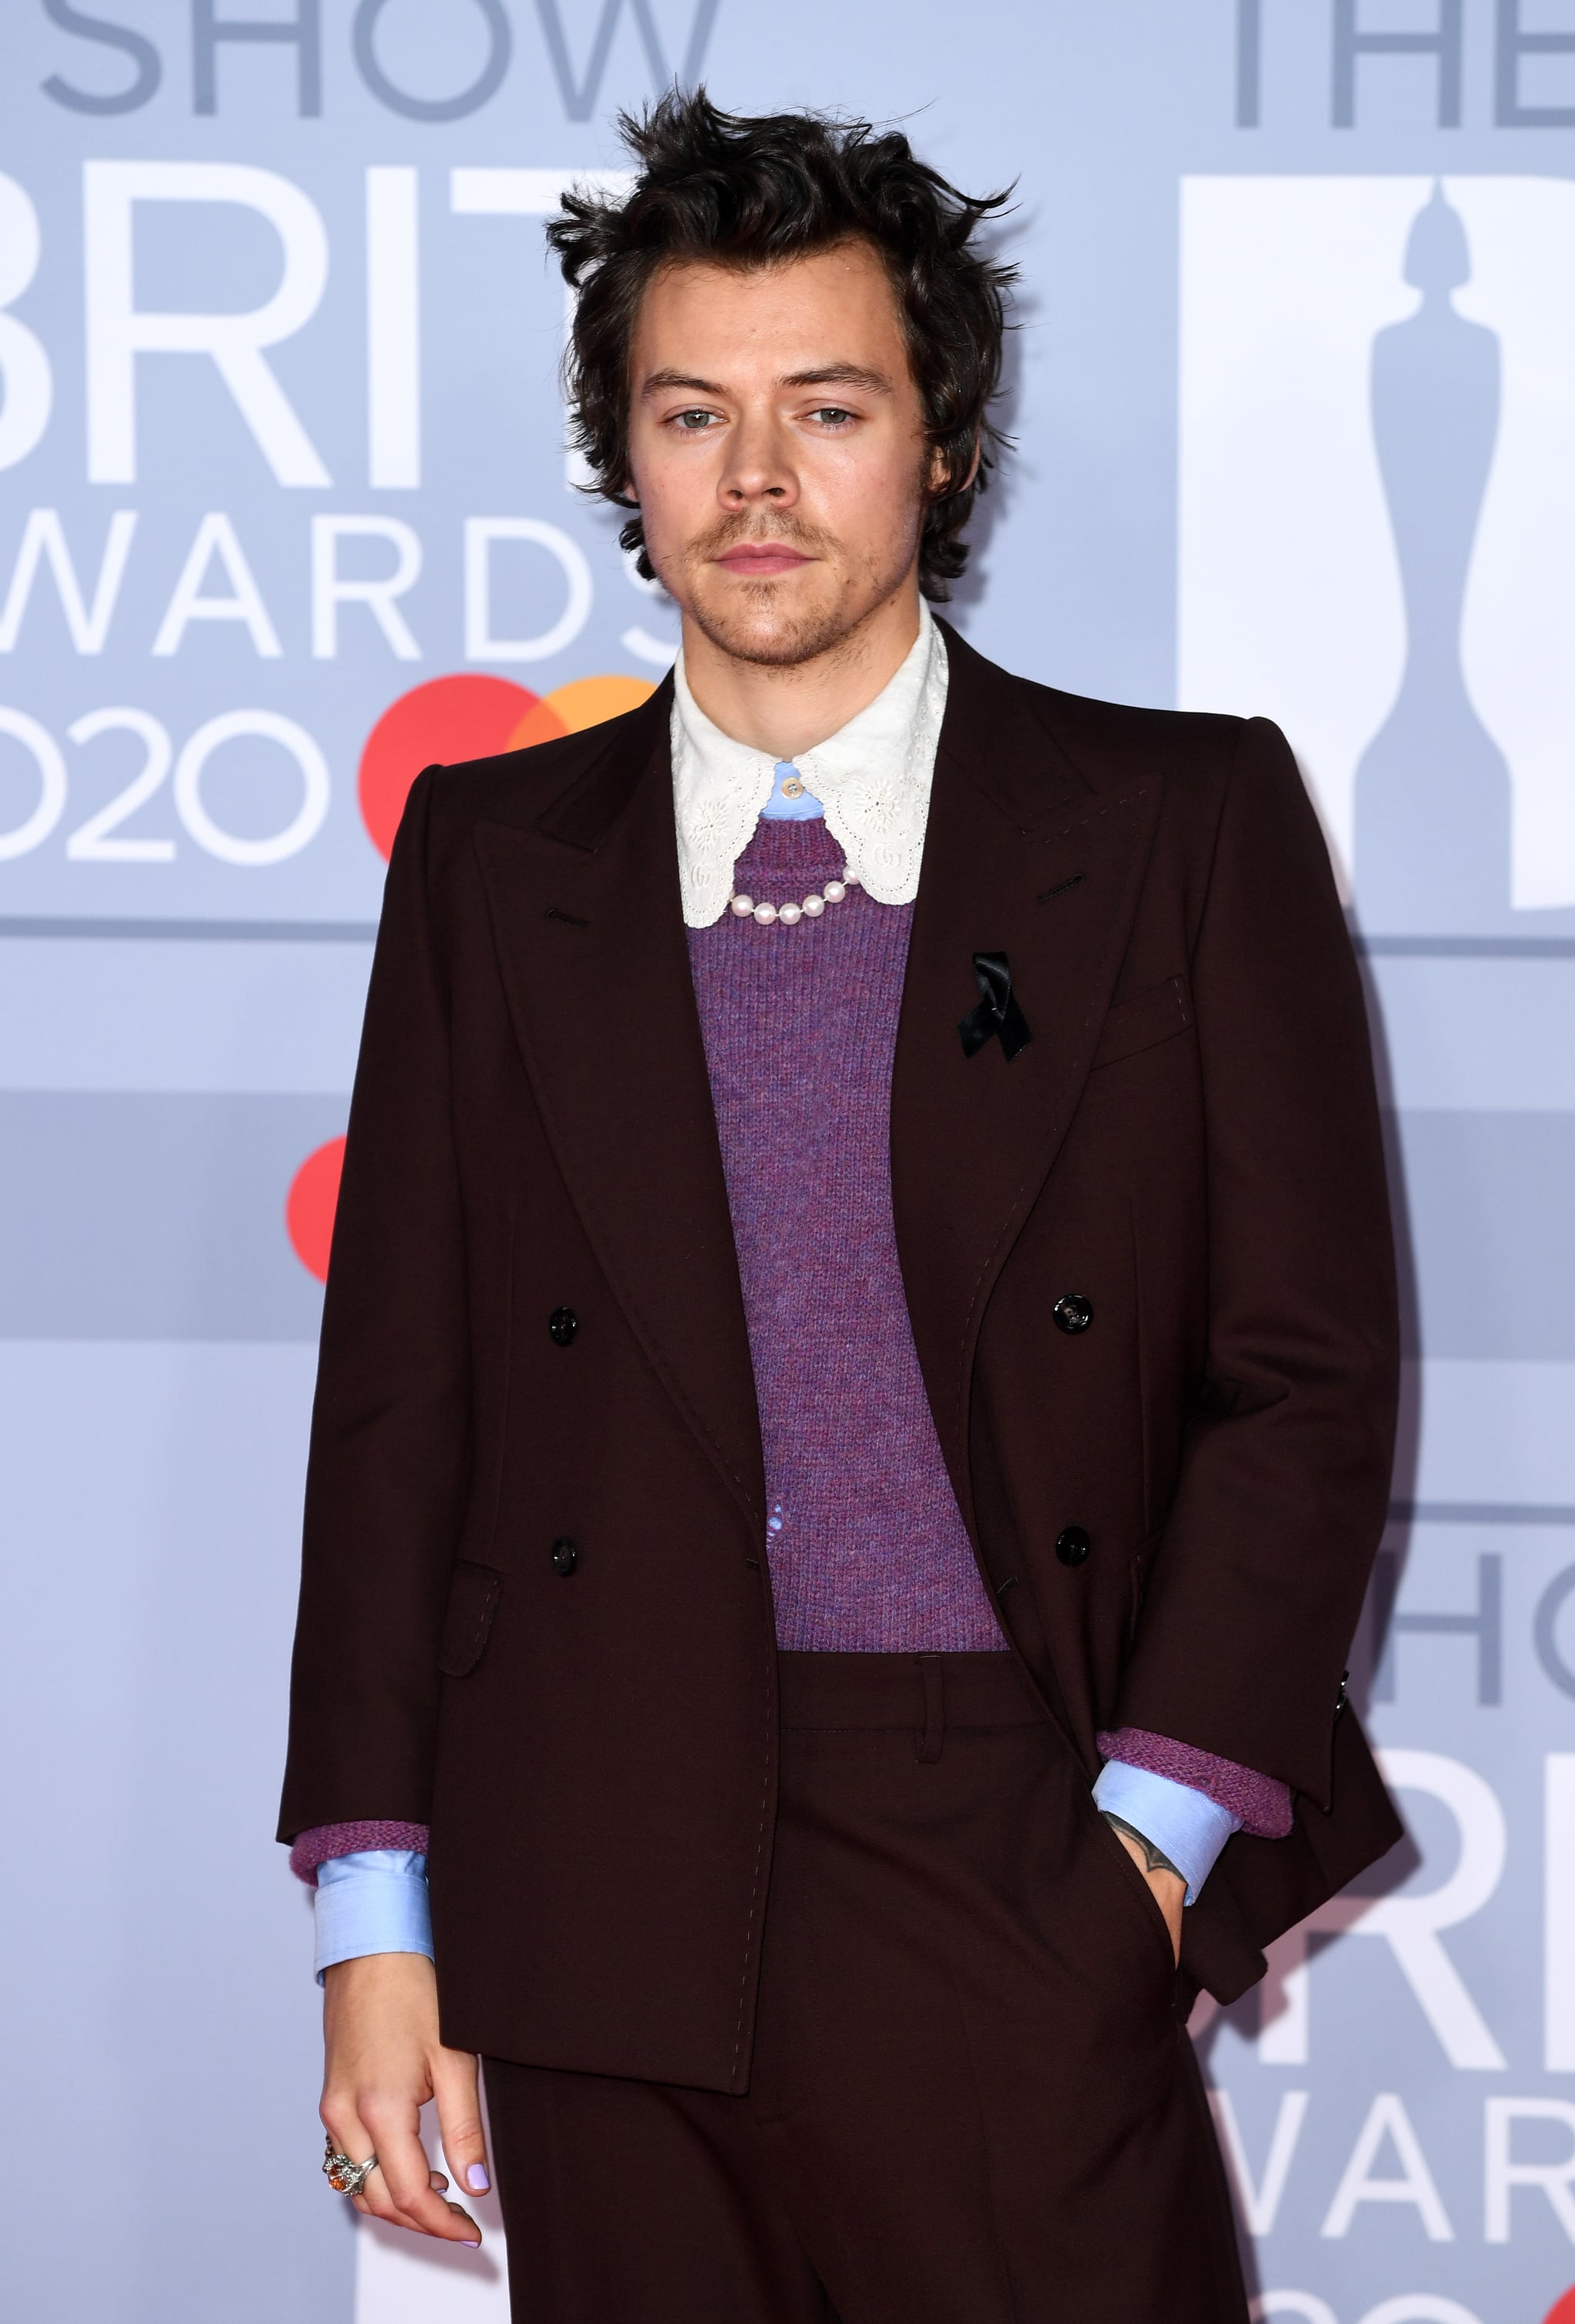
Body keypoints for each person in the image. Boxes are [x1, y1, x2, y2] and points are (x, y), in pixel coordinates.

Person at [278, 92, 1400, 2322]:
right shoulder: (499, 867)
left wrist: (1145, 1858)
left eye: (829, 407)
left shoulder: (1180, 821)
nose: (758, 481)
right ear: (627, 452)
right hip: (602, 1840)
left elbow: (1302, 1377)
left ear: (941, 446)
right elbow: (405, 1402)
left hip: (1017, 1825)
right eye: (692, 412)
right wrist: (374, 1927)